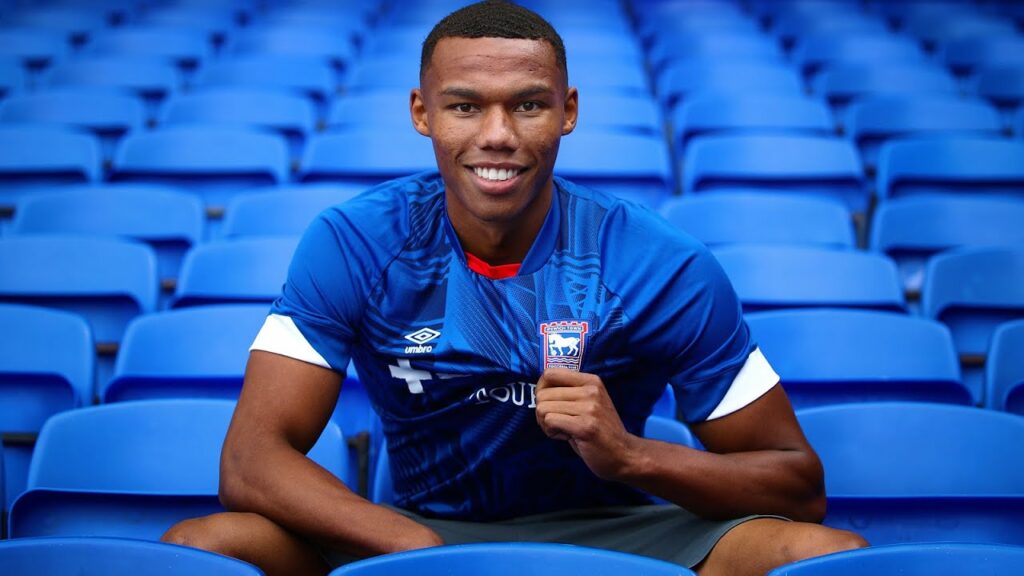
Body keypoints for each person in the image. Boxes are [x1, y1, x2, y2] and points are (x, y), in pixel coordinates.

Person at [162, 2, 867, 574]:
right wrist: (418, 552)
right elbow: (250, 460)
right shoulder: (355, 242)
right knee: (207, 548)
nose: (497, 135)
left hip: (614, 535)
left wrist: (630, 455)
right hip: (416, 530)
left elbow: (797, 484)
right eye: (465, 107)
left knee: (821, 556)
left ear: (568, 111)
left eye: (528, 105)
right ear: (422, 113)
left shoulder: (661, 265)